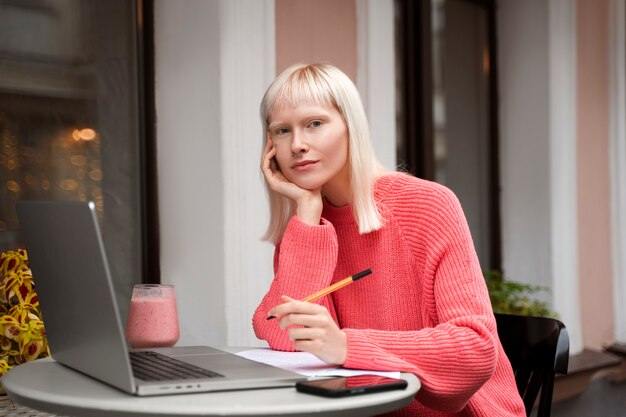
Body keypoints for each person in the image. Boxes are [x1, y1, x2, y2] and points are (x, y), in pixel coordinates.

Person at [252, 63, 525, 417]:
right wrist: (305, 210)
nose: (298, 145)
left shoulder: (429, 205)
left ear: (351, 126)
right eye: (283, 131)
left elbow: (474, 349)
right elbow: (284, 336)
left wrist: (347, 345)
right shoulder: (307, 229)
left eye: (315, 124)